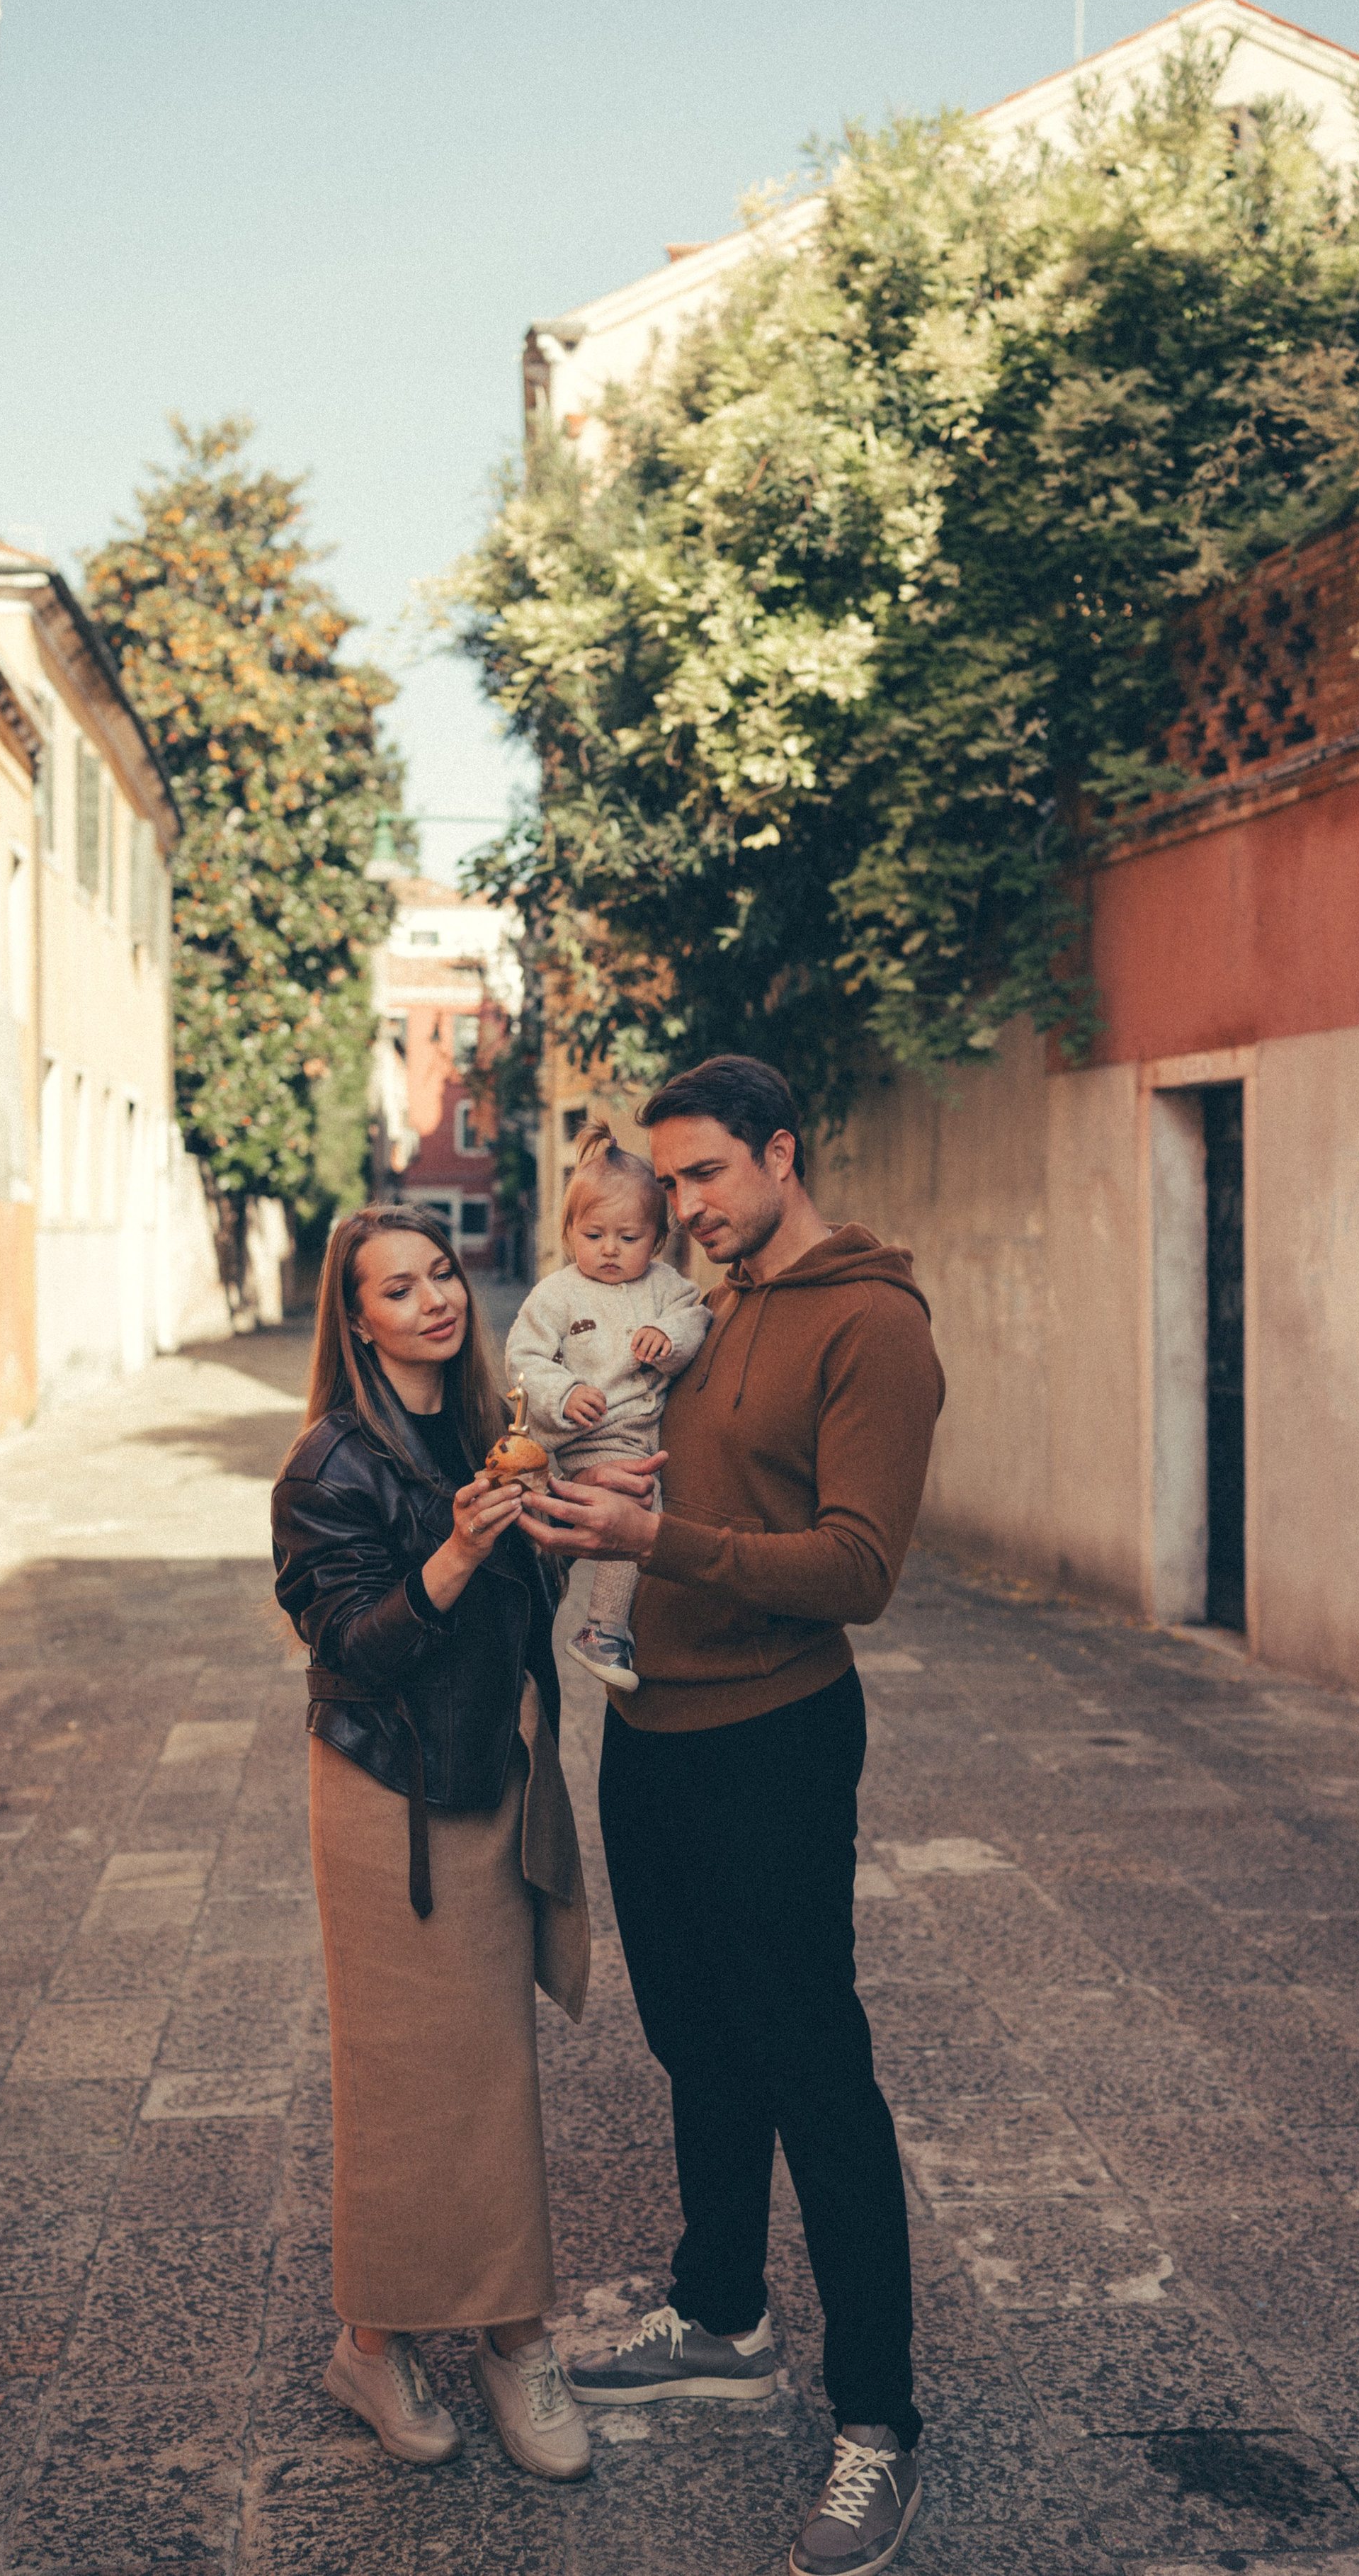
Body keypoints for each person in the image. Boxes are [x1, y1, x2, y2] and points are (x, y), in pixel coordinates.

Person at [516, 1057, 944, 2576]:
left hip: (775, 1731)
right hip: (648, 1727)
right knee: (693, 2038)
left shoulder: (871, 1323)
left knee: (812, 2065)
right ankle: (721, 2312)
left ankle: (878, 2418)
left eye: (707, 1174)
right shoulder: (702, 1305)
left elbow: (857, 1568)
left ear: (781, 1151)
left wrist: (657, 1536)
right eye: (670, 1179)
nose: (683, 1204)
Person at [271, 1204, 593, 2485]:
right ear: (357, 1321)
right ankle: (375, 2342)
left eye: (442, 1273)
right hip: (384, 1791)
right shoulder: (328, 1466)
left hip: (490, 1770)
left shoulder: (487, 1427)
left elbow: (533, 1607)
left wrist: (559, 1521)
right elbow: (353, 1645)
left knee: (493, 2065)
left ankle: (514, 2333)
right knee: (397, 2078)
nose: (436, 1299)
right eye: (398, 1288)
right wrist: (459, 1548)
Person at [504, 1120, 710, 1690]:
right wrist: (564, 1394)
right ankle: (602, 1630)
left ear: (658, 1240)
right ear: (569, 1231)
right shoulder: (558, 1294)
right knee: (632, 1510)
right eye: (594, 1235)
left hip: (648, 1438)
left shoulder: (666, 1287)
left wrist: (669, 1337)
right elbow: (522, 1360)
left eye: (629, 1237)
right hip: (585, 1439)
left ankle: (610, 1615)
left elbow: (697, 1318)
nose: (610, 1250)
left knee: (649, 1518)